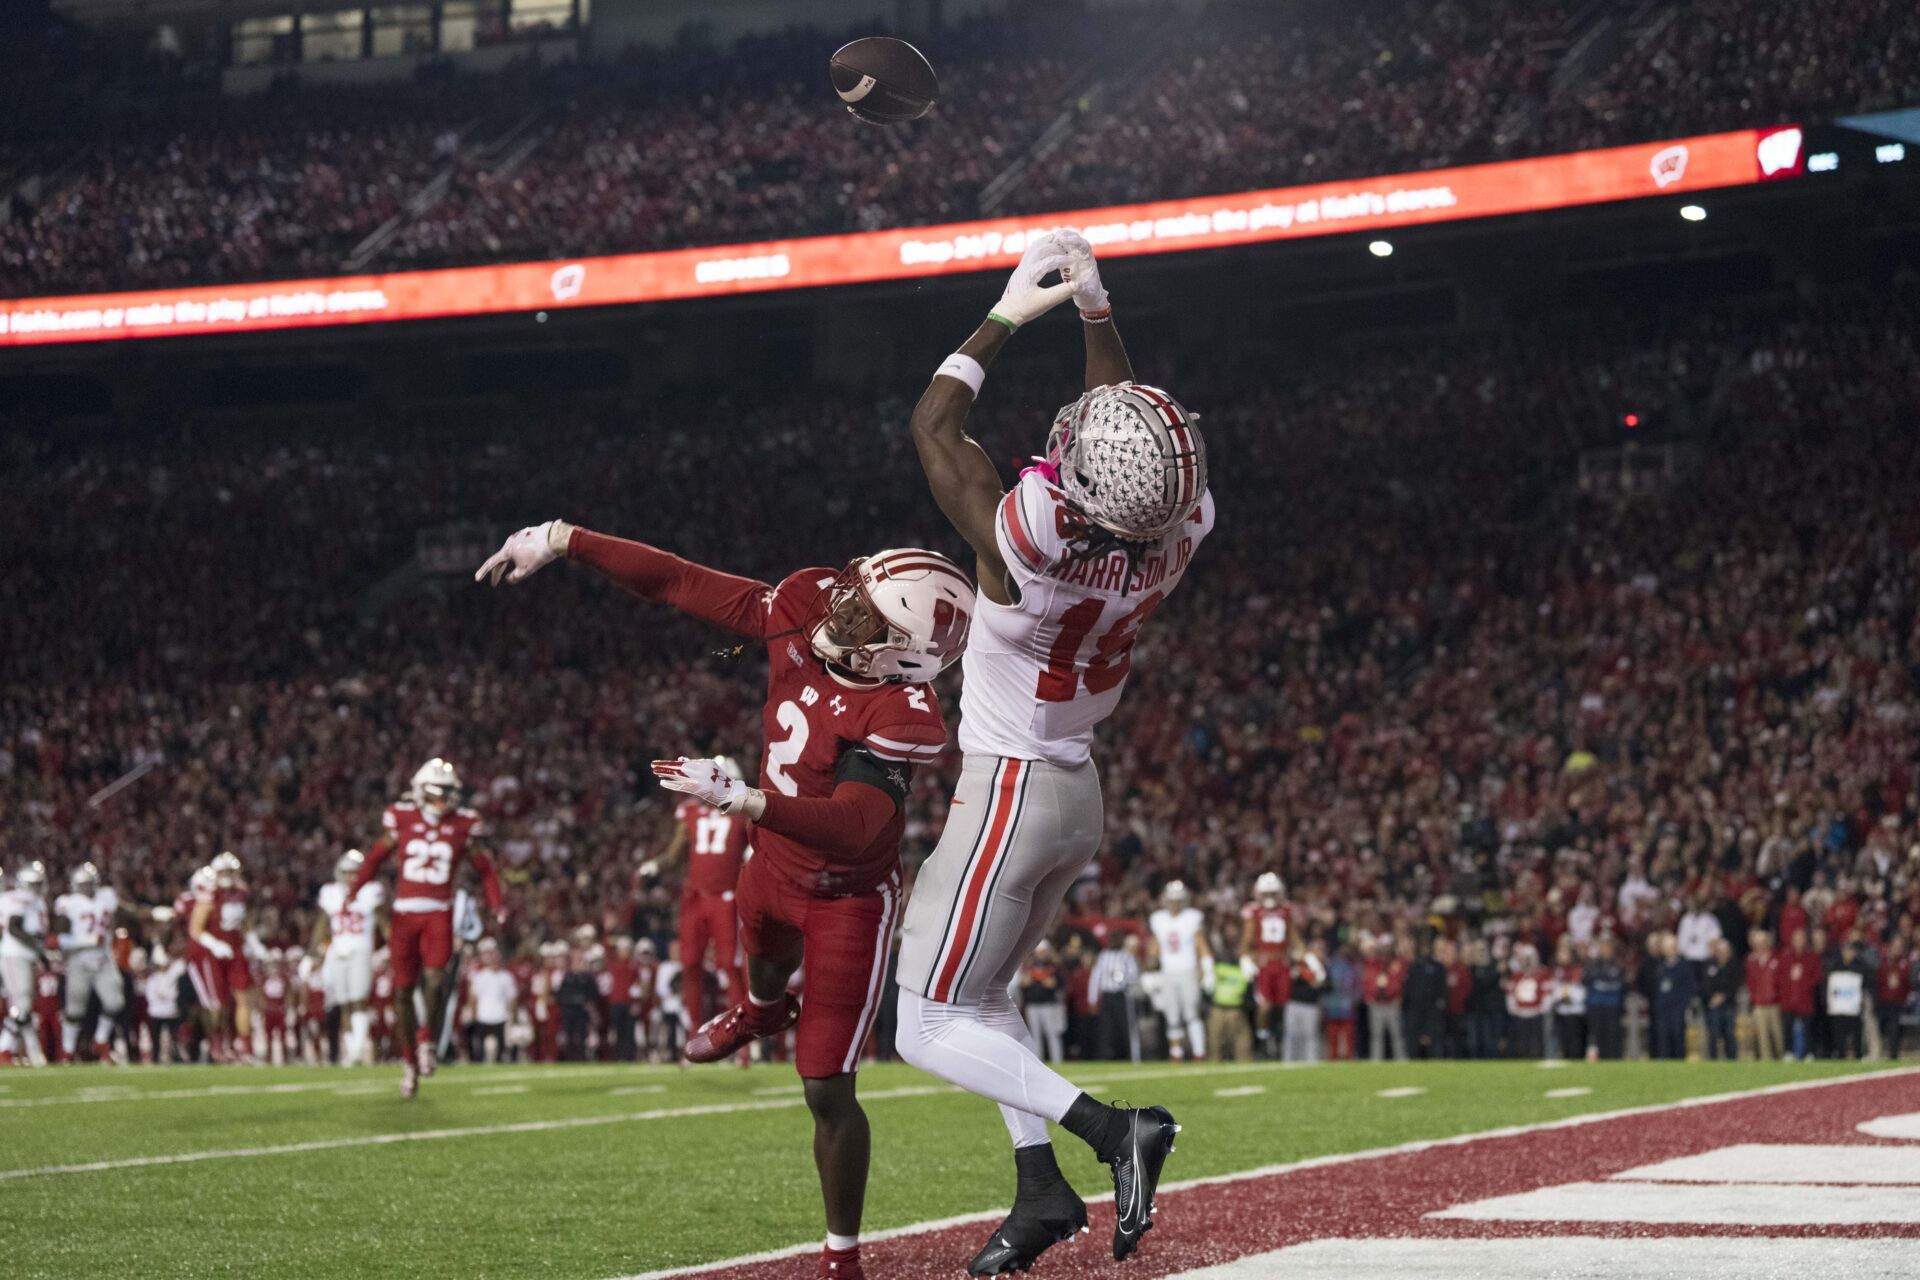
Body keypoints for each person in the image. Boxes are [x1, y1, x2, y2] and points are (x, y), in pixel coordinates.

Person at [480, 522, 968, 1280]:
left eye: (867, 616)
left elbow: (853, 826)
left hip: (848, 898)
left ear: (905, 652)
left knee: (827, 1089)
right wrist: (563, 538)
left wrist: (741, 798)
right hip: (768, 867)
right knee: (765, 974)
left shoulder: (904, 715)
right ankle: (760, 1011)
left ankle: (843, 1259)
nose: (841, 610)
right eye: (855, 592)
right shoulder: (806, 601)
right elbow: (681, 582)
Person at [890, 228, 1211, 1273]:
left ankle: (1116, 1130)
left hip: (1011, 787)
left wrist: (1009, 311)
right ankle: (1038, 1189)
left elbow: (935, 425)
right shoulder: (1179, 527)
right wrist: (1096, 313)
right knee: (986, 997)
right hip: (1075, 788)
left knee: (927, 1023)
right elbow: (1125, 438)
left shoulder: (1029, 537)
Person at [350, 759, 505, 1096]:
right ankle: (409, 1062)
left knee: (436, 979)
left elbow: (485, 868)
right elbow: (375, 857)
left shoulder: (465, 824)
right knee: (402, 990)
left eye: (449, 792)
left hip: (439, 912)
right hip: (405, 914)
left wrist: (496, 903)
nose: (444, 799)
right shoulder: (401, 818)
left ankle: (426, 1041)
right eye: (439, 792)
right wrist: (354, 888)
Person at [639, 758, 752, 1038]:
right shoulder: (689, 811)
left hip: (726, 896)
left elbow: (756, 848)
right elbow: (676, 853)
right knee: (689, 963)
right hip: (695, 897)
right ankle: (694, 1033)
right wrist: (656, 865)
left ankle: (741, 1036)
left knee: (730, 964)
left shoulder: (743, 813)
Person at [314, 849, 384, 1067]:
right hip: (338, 951)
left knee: (358, 1000)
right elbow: (322, 923)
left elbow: (384, 921)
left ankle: (356, 1050)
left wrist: (392, 948)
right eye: (345, 872)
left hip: (361, 949)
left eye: (354, 872)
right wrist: (311, 953)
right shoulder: (330, 892)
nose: (350, 877)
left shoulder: (371, 891)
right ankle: (351, 1048)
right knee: (343, 1002)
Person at [52, 861, 126, 1064]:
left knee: (115, 1002)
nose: (87, 888)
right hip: (79, 959)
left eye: (90, 883)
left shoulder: (106, 897)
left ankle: (100, 1041)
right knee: (75, 1010)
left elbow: (120, 916)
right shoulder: (68, 902)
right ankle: (67, 1051)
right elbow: (59, 936)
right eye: (83, 884)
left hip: (103, 957)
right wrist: (86, 942)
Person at [1147, 881, 1210, 1061]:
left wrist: (1207, 970)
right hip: (1168, 972)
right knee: (1172, 1015)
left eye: (1178, 900)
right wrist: (1150, 971)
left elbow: (1201, 945)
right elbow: (1154, 947)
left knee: (1191, 1013)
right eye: (1172, 900)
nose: (1175, 904)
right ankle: (1176, 1054)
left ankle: (1199, 1053)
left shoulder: (1192, 917)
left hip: (1188, 971)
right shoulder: (1159, 919)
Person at [0, 862, 50, 1067]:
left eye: (39, 883)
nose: (37, 888)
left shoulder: (35, 901)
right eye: (34, 884)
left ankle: (34, 1053)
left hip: (25, 955)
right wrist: (40, 950)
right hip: (14, 953)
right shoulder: (19, 898)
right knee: (22, 1004)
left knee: (24, 1005)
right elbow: (14, 928)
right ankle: (4, 1048)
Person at [1239, 872, 1292, 1056]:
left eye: (1273, 893)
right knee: (1264, 1006)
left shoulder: (1286, 910)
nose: (1270, 898)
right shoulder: (1253, 911)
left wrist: (1306, 957)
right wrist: (1245, 957)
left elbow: (1293, 938)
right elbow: (1247, 940)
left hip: (1282, 963)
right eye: (1266, 893)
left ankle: (1277, 1038)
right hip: (1263, 964)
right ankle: (1262, 1040)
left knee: (1281, 1005)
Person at [1089, 931, 1141, 1063]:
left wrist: (1122, 979)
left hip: (1121, 995)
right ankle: (1105, 1056)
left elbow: (1134, 975)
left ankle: (1130, 1056)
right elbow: (1096, 977)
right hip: (1107, 995)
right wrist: (1092, 998)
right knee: (1106, 1028)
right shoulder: (1103, 956)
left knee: (1125, 1027)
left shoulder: (1126, 956)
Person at [1649, 933, 1696, 1060]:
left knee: (1677, 1035)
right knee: (1662, 1037)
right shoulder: (1659, 965)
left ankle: (1679, 1062)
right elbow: (1654, 987)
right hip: (1662, 1008)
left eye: (1672, 947)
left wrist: (1684, 1005)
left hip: (1678, 1007)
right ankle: (1664, 1064)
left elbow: (1690, 987)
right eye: (1667, 947)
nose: (1670, 950)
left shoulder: (1684, 965)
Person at [1206, 941, 1254, 1063]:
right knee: (1241, 1048)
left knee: (1216, 1047)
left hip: (1223, 1010)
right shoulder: (1241, 970)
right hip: (1232, 1010)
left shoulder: (1218, 969)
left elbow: (1207, 987)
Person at [1363, 937, 1410, 1061]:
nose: (1385, 950)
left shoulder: (1397, 963)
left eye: (1387, 947)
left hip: (1392, 1002)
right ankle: (1376, 1061)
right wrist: (1371, 994)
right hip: (1377, 1003)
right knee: (1376, 1036)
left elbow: (1398, 982)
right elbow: (1368, 982)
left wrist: (1390, 989)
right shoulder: (1372, 963)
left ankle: (1401, 1060)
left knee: (1397, 1035)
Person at [1019, 940, 1066, 1063]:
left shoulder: (1054, 966)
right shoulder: (1030, 967)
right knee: (1035, 1036)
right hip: (1033, 1004)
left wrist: (1039, 977)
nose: (1041, 955)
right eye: (1039, 952)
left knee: (1052, 1034)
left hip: (1049, 1005)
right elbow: (1024, 983)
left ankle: (1057, 1061)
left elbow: (1054, 984)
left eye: (1043, 952)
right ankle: (1038, 1062)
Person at [1281, 939, 1328, 1063]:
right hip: (1294, 1003)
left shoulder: (1322, 967)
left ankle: (1311, 1062)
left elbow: (1326, 985)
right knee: (1291, 1035)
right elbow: (1291, 977)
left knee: (1310, 1036)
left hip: (1311, 1005)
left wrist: (1317, 981)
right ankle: (1289, 1061)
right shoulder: (1300, 964)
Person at [1402, 937, 1449, 1060]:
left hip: (1432, 1007)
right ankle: (1413, 1061)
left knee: (1434, 1037)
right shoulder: (1414, 966)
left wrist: (1440, 1003)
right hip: (1415, 1008)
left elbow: (1442, 987)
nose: (1425, 950)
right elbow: (1408, 987)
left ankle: (1435, 1060)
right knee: (1413, 1036)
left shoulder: (1438, 967)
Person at [1585, 935, 1626, 1060]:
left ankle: (1615, 1058)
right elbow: (1588, 981)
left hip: (1612, 1005)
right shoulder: (1593, 965)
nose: (1605, 949)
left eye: (1607, 946)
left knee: (1613, 1034)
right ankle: (1600, 1058)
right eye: (1603, 946)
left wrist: (1602, 984)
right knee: (1598, 1034)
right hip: (1596, 1005)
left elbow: (1620, 984)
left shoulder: (1618, 965)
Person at [1826, 938, 1868, 1060]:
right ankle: (1840, 1056)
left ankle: (1858, 1056)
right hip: (1838, 1008)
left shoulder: (1860, 967)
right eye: (1845, 950)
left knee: (1856, 1035)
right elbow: (1830, 987)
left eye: (1850, 951)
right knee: (1839, 1036)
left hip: (1853, 1008)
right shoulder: (1835, 966)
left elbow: (1866, 985)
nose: (1848, 953)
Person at [1701, 936, 1741, 1060]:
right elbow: (1706, 984)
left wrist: (1722, 996)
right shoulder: (1709, 964)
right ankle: (1713, 1060)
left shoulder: (1734, 965)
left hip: (1729, 1004)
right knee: (1713, 1033)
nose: (1722, 953)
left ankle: (1731, 1059)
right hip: (1713, 1005)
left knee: (1729, 1034)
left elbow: (1735, 985)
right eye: (1720, 950)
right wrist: (1712, 997)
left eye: (1725, 950)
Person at [1875, 940, 1912, 1061]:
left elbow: (1908, 983)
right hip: (1883, 1001)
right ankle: (1876, 1053)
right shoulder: (1883, 962)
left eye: (1899, 946)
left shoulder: (1905, 963)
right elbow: (1878, 980)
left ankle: (1893, 1055)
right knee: (1879, 1028)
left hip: (1898, 1002)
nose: (1897, 949)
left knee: (1894, 1028)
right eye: (1895, 946)